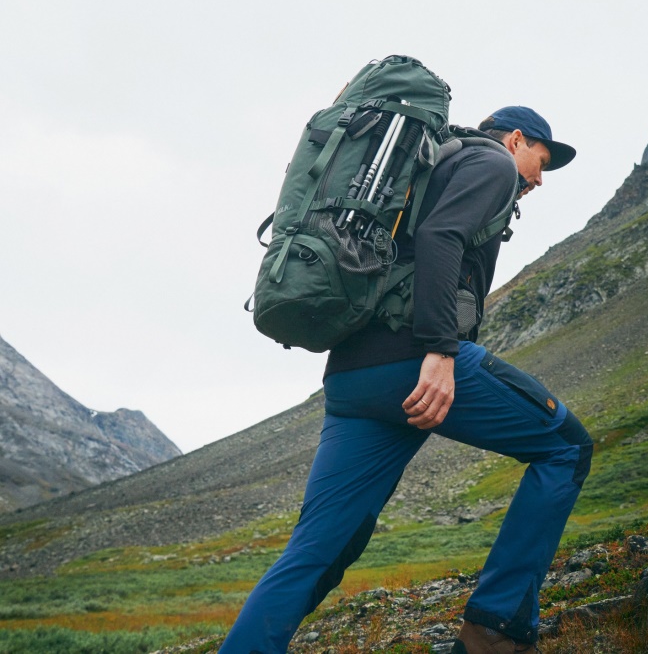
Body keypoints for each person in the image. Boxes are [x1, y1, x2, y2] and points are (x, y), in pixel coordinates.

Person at [220, 106, 593, 654]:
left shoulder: (434, 164)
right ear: (516, 139)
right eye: (541, 160)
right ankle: (494, 633)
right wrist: (441, 352)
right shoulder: (492, 164)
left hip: (352, 382)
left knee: (317, 549)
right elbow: (443, 236)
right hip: (414, 363)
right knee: (566, 448)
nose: (538, 178)